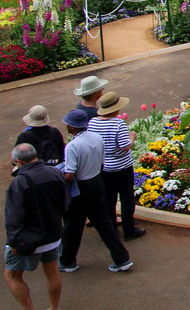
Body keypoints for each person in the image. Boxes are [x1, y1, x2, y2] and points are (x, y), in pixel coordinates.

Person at [58, 109, 132, 274]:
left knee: (73, 226)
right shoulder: (96, 138)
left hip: (81, 187)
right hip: (97, 182)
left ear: (72, 126)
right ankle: (121, 259)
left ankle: (67, 261)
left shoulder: (72, 146)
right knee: (104, 223)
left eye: (68, 124)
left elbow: (69, 175)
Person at [4, 143, 67, 310]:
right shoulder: (55, 173)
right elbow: (65, 203)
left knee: (12, 275)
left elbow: (14, 217)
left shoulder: (20, 182)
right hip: (53, 234)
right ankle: (54, 308)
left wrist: (14, 242)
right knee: (52, 272)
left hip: (28, 238)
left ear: (19, 162)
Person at [88, 92, 146, 242]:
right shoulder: (117, 124)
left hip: (104, 167)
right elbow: (125, 146)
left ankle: (111, 228)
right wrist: (132, 136)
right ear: (115, 109)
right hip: (122, 167)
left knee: (109, 197)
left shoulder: (93, 123)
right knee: (126, 197)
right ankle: (129, 229)